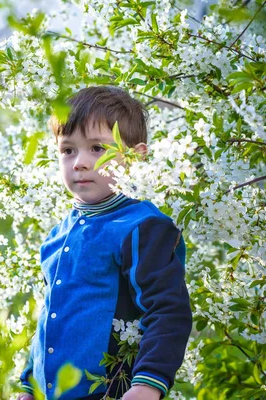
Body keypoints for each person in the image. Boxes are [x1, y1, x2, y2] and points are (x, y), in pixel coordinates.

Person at [17, 86, 192, 400]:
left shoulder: (142, 227)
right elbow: (51, 315)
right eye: (68, 150)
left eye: (97, 148)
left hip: (109, 392)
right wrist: (30, 385)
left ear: (135, 156)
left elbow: (168, 310)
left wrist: (147, 383)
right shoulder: (57, 234)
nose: (79, 162)